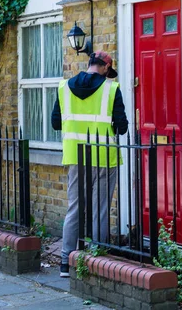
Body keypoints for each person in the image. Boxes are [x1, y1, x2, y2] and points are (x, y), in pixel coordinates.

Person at [51, 51, 128, 278]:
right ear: (105, 67)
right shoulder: (111, 89)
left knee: (74, 207)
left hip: (76, 156)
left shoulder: (64, 87)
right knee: (100, 208)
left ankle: (66, 262)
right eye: (108, 71)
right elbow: (122, 126)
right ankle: (97, 260)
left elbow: (56, 123)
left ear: (89, 64)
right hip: (104, 157)